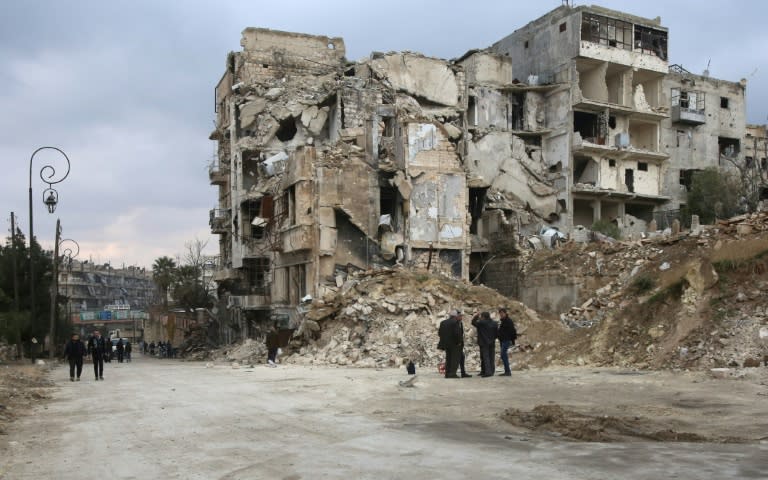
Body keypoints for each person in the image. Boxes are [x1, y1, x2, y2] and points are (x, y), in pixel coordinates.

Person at [438, 309, 464, 378]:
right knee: (455, 359)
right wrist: (459, 342)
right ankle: (452, 373)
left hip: (446, 344)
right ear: (455, 316)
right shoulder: (455, 322)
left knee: (448, 358)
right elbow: (457, 334)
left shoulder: (443, 322)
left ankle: (447, 373)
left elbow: (440, 333)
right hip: (455, 344)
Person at [472, 311, 498, 377]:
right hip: (492, 342)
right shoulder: (494, 323)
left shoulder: (481, 323)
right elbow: (496, 333)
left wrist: (476, 316)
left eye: (481, 316)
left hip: (484, 343)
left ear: (483, 317)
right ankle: (490, 371)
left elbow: (473, 322)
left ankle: (487, 372)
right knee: (491, 357)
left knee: (485, 357)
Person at [497, 308, 517, 376]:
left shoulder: (508, 321)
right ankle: (507, 371)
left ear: (505, 313)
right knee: (503, 355)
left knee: (503, 354)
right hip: (503, 340)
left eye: (502, 313)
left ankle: (507, 371)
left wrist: (512, 340)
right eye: (500, 313)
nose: (501, 315)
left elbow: (513, 331)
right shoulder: (503, 321)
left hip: (506, 340)